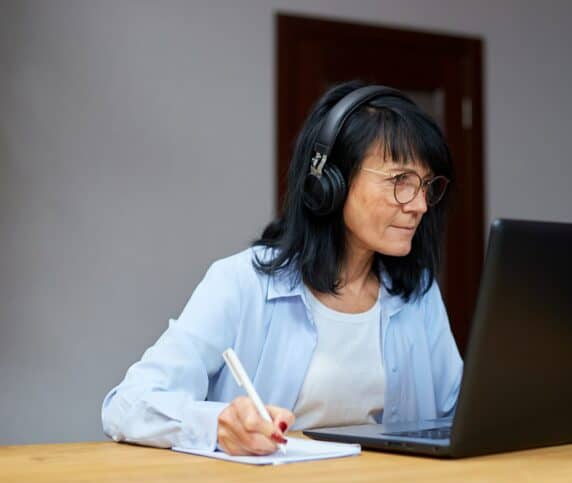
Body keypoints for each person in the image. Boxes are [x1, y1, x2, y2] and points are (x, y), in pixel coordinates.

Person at [101, 81, 463, 456]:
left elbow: (461, 412)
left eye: (425, 185)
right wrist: (218, 424)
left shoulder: (417, 293)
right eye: (400, 181)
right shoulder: (241, 284)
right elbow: (127, 405)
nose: (420, 204)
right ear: (329, 182)